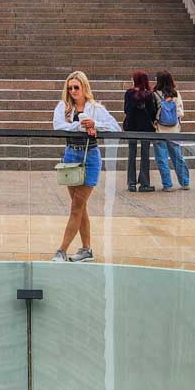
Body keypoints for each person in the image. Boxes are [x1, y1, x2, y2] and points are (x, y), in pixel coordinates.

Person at [51, 71, 120, 262]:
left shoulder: (96, 108)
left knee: (77, 206)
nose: (73, 91)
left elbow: (115, 127)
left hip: (90, 157)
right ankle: (86, 249)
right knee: (80, 207)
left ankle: (62, 250)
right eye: (70, 87)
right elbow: (57, 126)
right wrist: (81, 126)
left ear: (84, 88)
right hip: (70, 155)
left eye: (76, 87)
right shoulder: (63, 107)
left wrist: (94, 123)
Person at [152, 70, 191, 190]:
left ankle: (167, 185)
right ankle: (184, 182)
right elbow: (180, 113)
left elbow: (153, 113)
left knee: (162, 159)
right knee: (178, 157)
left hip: (160, 130)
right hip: (174, 131)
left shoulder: (155, 94)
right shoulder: (176, 94)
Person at [123, 70, 157, 192]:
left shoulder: (128, 93)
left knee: (131, 154)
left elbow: (126, 110)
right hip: (146, 128)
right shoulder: (149, 95)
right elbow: (153, 112)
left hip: (131, 126)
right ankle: (144, 183)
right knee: (145, 155)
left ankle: (131, 183)